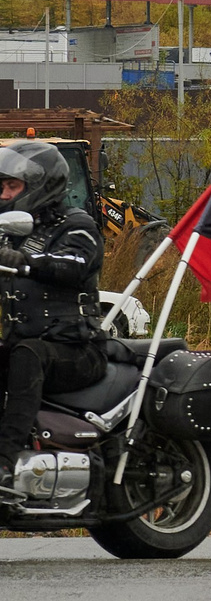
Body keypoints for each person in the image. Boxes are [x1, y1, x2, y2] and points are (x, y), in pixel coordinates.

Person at [0, 142, 106, 471]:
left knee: (27, 355)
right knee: (19, 351)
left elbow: (73, 265)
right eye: (1, 186)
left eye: (12, 186)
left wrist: (23, 263)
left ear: (40, 187)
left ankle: (5, 461)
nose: (4, 194)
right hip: (28, 344)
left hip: (78, 349)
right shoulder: (13, 233)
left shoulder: (77, 226)